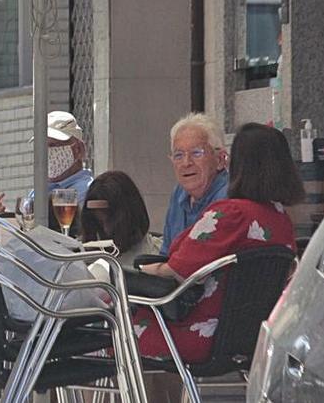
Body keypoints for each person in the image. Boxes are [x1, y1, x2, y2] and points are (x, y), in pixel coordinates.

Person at [136, 123, 303, 367]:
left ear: (238, 165)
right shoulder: (281, 221)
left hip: (200, 334)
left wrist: (138, 273)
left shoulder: (230, 214)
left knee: (112, 327)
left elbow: (177, 270)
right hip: (251, 337)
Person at [160, 113, 230, 254]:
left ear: (220, 160)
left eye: (196, 153)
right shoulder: (179, 192)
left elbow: (204, 259)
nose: (186, 163)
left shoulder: (230, 197)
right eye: (178, 155)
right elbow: (166, 253)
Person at [16, 111, 96, 219]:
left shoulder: (87, 192)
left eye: (54, 145)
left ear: (78, 150)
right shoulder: (37, 191)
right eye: (42, 146)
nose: (48, 152)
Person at [79, 171, 161, 269]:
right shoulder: (82, 255)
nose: (105, 229)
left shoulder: (157, 256)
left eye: (109, 220)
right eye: (99, 223)